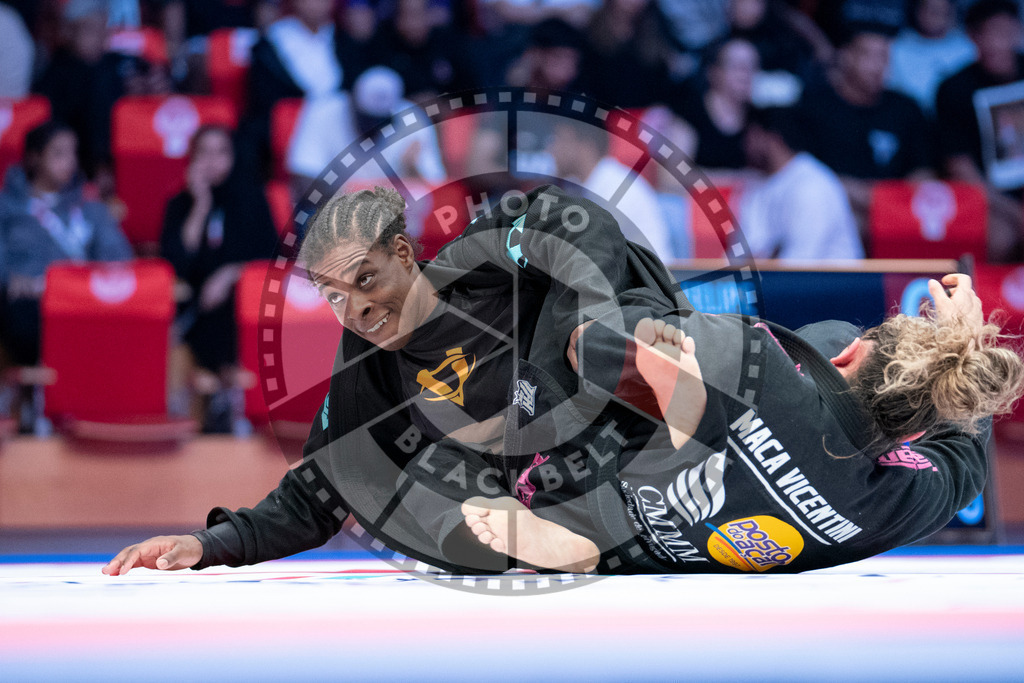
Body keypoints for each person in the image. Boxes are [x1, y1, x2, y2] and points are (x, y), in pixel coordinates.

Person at [103, 184, 1023, 576]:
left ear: (404, 253)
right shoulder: (886, 498)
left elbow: (576, 230)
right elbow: (323, 484)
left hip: (621, 420)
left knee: (609, 317)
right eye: (332, 296)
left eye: (366, 282)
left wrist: (579, 347)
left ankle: (580, 482)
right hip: (628, 470)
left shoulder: (489, 267)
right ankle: (578, 487)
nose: (355, 310)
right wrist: (212, 544)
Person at [159, 125, 278, 431]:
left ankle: (226, 396)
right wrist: (200, 206)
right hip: (194, 306)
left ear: (233, 156)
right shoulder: (178, 205)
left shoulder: (253, 201)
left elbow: (271, 262)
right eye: (204, 153)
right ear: (191, 159)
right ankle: (215, 399)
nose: (213, 161)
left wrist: (230, 274)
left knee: (234, 307)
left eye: (221, 152)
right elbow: (176, 265)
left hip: (240, 304)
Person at [0, 121, 133, 366]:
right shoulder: (8, 207)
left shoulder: (89, 207)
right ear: (34, 158)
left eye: (73, 152)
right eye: (59, 153)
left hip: (80, 301)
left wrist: (92, 281)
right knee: (23, 318)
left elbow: (119, 258)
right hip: (27, 301)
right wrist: (9, 279)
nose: (69, 161)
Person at [936, 0, 1024, 261]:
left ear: (1018, 31)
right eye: (989, 33)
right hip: (990, 200)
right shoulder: (954, 88)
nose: (998, 43)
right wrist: (1014, 212)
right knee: (998, 237)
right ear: (973, 37)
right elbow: (959, 166)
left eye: (1005, 32)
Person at [738, 106, 864, 260]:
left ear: (772, 139)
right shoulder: (757, 186)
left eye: (751, 136)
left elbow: (800, 262)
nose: (745, 145)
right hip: (769, 274)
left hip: (828, 275)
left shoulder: (812, 185)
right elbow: (740, 256)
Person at [671, 38, 760, 173]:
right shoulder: (689, 111)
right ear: (713, 72)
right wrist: (734, 178)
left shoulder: (759, 117)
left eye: (752, 66)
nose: (746, 74)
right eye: (737, 66)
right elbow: (672, 175)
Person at [887, 0, 976, 116]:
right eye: (931, 9)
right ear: (917, 10)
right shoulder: (897, 48)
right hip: (911, 118)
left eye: (942, 10)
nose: (937, 14)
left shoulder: (968, 46)